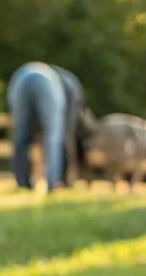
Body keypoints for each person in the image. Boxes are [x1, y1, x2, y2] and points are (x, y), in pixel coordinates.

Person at [7, 62, 87, 191]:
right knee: (54, 137)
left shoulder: (61, 78)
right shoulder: (71, 85)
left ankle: (22, 182)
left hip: (21, 76)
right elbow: (67, 135)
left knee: (20, 136)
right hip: (47, 82)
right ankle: (54, 181)